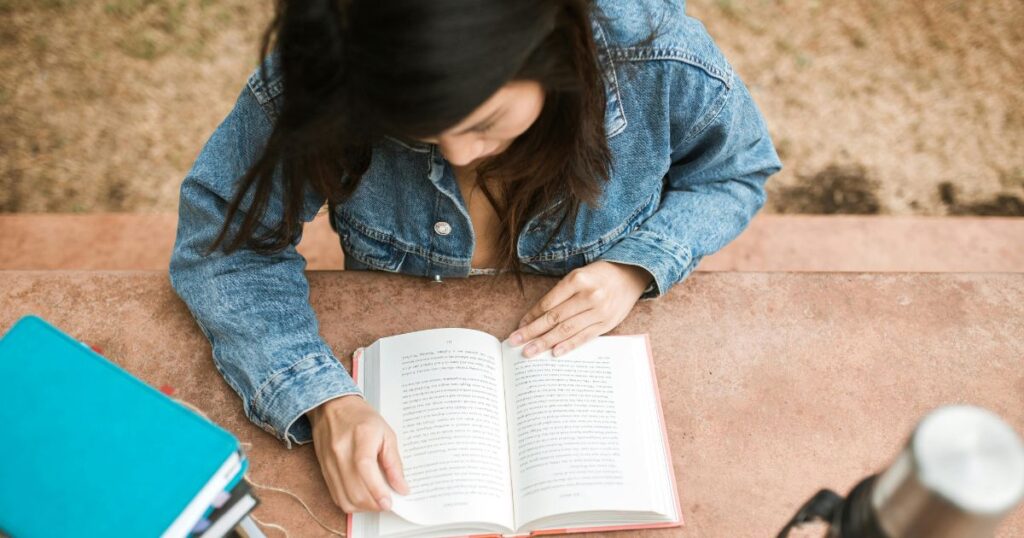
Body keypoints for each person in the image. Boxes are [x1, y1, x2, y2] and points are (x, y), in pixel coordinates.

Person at [169, 0, 781, 516]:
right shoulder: (334, 63)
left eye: (486, 121)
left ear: (553, 52)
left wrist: (637, 265)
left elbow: (734, 172)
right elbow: (225, 246)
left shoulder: (656, 57)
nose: (461, 155)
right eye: (421, 131)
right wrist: (322, 400)